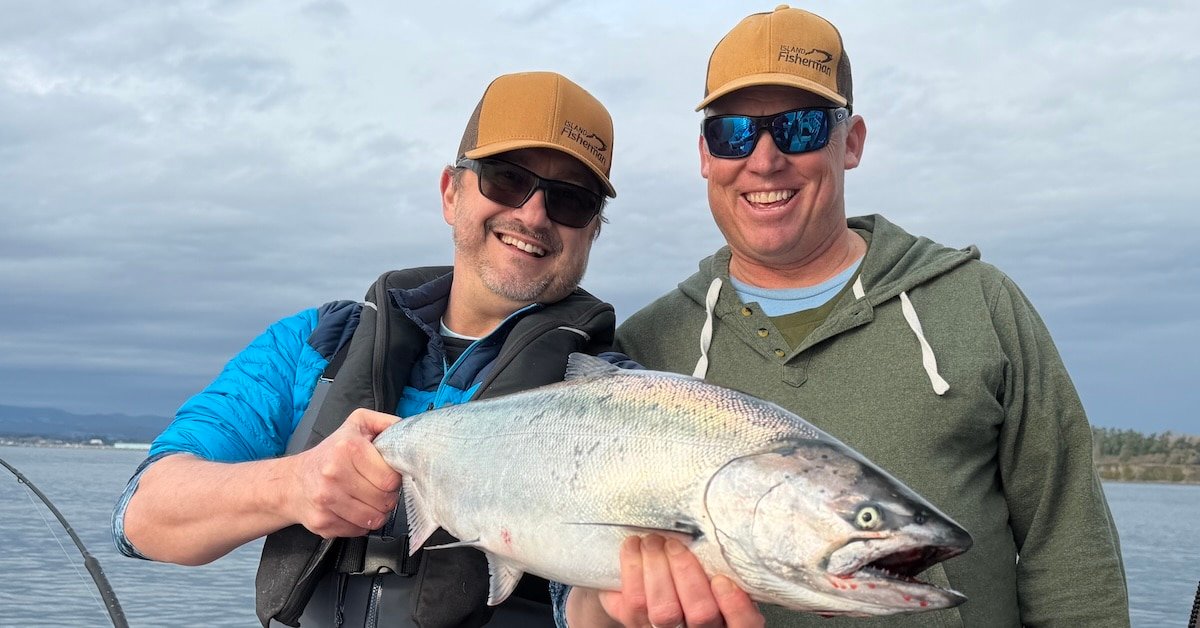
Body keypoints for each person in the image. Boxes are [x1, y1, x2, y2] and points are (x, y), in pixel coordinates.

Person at [560, 5, 1129, 628]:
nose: (765, 157)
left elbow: (1070, 549)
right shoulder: (641, 352)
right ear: (705, 154)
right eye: (734, 131)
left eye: (800, 127)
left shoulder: (982, 306)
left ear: (851, 142)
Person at [112, 71, 621, 628]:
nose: (532, 214)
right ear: (451, 192)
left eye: (570, 200)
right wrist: (292, 484)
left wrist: (630, 601)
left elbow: (588, 606)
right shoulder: (314, 344)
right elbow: (141, 517)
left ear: (593, 229)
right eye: (505, 179)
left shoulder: (614, 396)